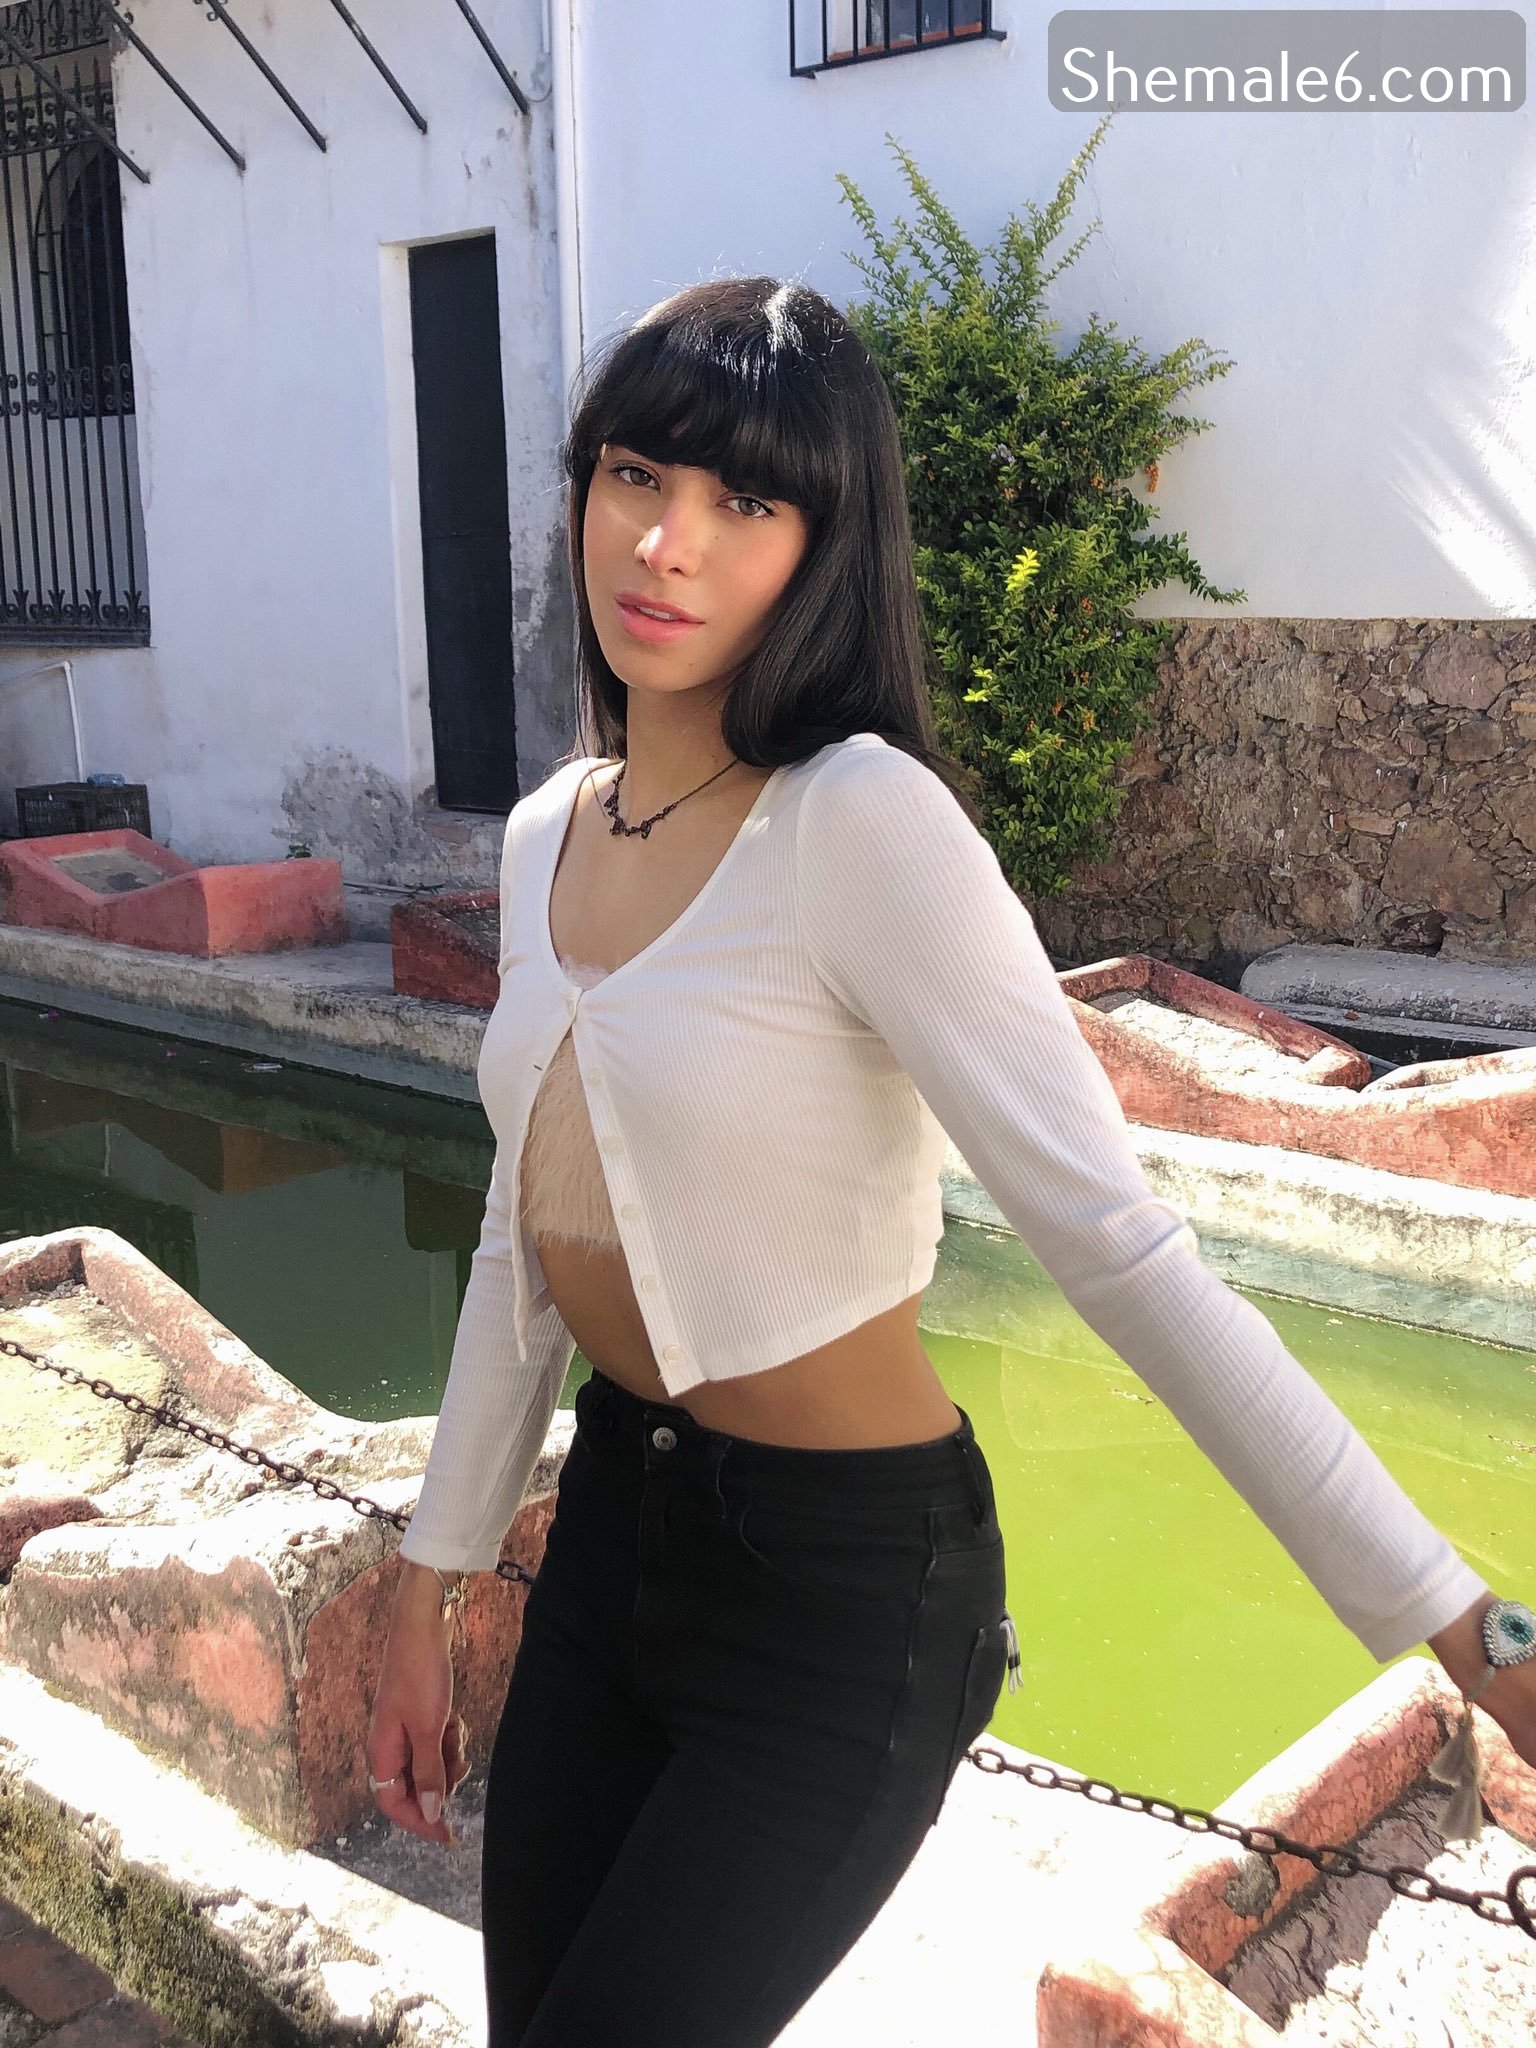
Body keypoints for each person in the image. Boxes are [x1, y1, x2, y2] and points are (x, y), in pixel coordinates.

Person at [367, 276, 1536, 2047]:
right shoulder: (545, 837)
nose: (668, 543)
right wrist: (428, 1577)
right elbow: (513, 1250)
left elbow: (1123, 1253)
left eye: (746, 501)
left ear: (822, 548)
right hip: (612, 1532)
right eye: (635, 476)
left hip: (842, 1592)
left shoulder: (858, 824)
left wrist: (1472, 1632)